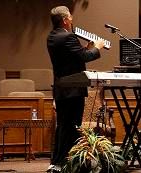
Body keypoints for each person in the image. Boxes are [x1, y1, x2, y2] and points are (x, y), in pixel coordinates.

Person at [46, 6, 105, 173]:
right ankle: (68, 164)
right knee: (72, 126)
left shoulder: (52, 36)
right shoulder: (68, 36)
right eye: (70, 17)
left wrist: (85, 48)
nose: (72, 19)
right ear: (65, 20)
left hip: (62, 89)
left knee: (63, 126)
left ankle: (57, 163)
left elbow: (72, 58)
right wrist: (97, 47)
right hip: (73, 89)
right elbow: (85, 57)